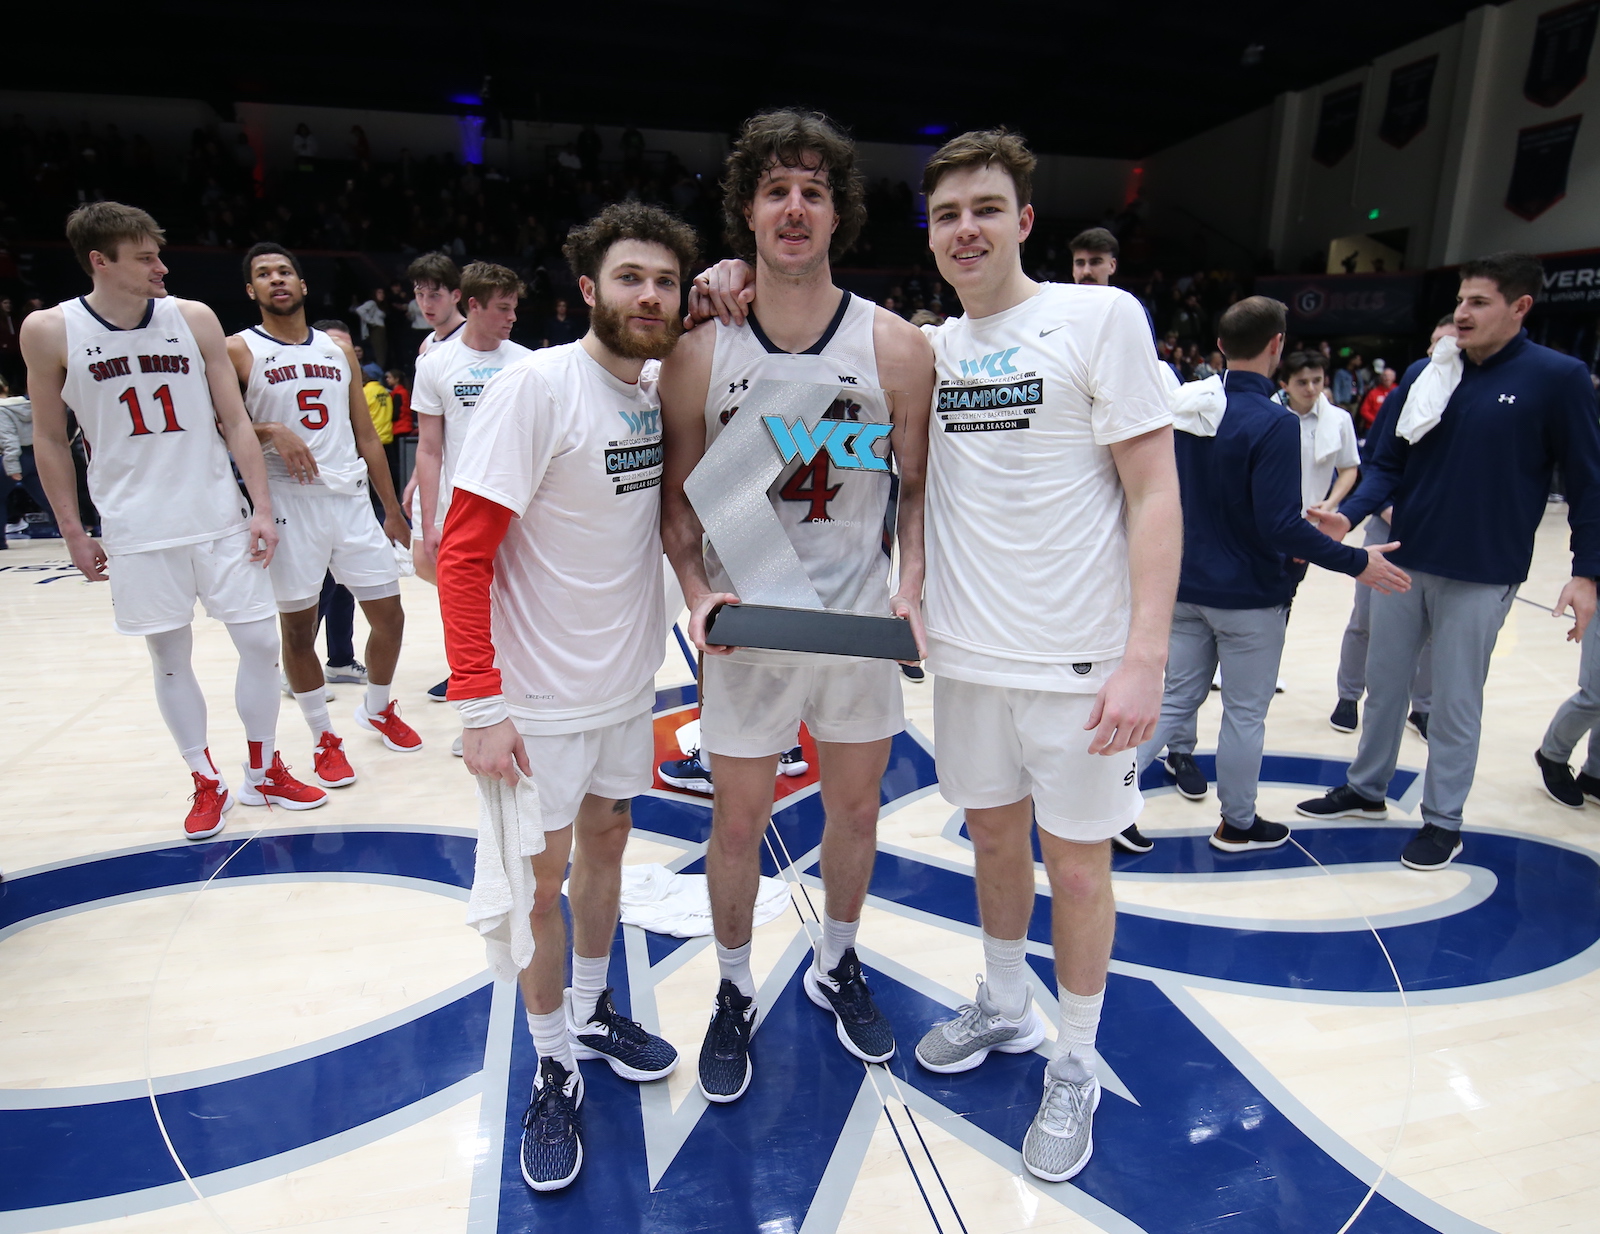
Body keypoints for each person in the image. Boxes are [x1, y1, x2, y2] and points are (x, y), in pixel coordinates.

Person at [659, 109, 934, 1103]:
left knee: (856, 808)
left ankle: (837, 959)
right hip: (751, 629)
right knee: (737, 824)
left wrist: (911, 584)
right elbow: (679, 505)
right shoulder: (700, 349)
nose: (794, 206)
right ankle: (731, 988)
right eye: (775, 188)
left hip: (855, 625)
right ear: (746, 210)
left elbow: (917, 491)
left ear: (837, 213)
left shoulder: (897, 347)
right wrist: (695, 594)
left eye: (813, 190)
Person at [438, 201, 698, 1192]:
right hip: (537, 703)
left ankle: (592, 1005)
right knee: (535, 889)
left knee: (607, 851)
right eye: (630, 277)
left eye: (665, 281)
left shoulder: (649, 393)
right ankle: (551, 1057)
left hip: (626, 687)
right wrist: (480, 706)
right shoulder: (536, 388)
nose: (650, 295)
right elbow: (461, 555)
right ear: (586, 289)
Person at [20, 202, 325, 838]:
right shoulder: (50, 330)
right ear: (100, 262)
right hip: (137, 527)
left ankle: (264, 767)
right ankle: (204, 777)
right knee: (169, 656)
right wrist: (73, 531)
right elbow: (50, 439)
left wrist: (262, 507)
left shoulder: (192, 317)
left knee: (263, 645)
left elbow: (236, 420)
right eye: (145, 257)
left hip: (218, 514)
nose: (163, 266)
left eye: (159, 253)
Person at [1298, 252, 1600, 870]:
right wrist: (1351, 515)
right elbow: (1388, 462)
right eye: (1461, 300)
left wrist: (1586, 571)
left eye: (1479, 302)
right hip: (1405, 560)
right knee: (1384, 687)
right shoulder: (1427, 372)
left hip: (1484, 570)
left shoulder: (1558, 378)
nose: (1462, 313)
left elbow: (1589, 483)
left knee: (1455, 701)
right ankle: (1366, 788)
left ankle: (1443, 820)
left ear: (1520, 308)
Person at [1136, 298, 1409, 857]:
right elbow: (1281, 526)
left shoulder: (1183, 411)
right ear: (1277, 345)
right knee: (1244, 716)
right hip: (1251, 598)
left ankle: (1104, 810)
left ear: (1220, 347)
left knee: (1169, 705)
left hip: (1184, 588)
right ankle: (1237, 823)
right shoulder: (1276, 424)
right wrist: (1359, 560)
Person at [228, 244, 419, 789]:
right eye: (263, 275)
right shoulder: (239, 349)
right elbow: (217, 424)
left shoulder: (339, 353)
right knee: (298, 629)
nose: (276, 280)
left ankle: (377, 708)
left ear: (303, 284)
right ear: (251, 291)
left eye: (284, 271)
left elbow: (367, 436)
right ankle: (321, 736)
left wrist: (393, 511)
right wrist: (269, 431)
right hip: (290, 501)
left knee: (390, 616)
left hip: (350, 499)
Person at [413, 261, 532, 729]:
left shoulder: (526, 362)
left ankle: (522, 707)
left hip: (520, 509)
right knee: (469, 610)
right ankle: (481, 714)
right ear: (473, 305)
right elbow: (428, 448)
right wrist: (429, 520)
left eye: (515, 308)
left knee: (519, 606)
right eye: (503, 308)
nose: (512, 317)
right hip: (463, 508)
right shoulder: (435, 364)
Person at [1329, 317, 1453, 736]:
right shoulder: (1407, 391)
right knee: (1365, 618)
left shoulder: (1468, 398)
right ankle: (1349, 695)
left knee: (1434, 632)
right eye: (1436, 342)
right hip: (1388, 526)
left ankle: (1424, 706)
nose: (1441, 351)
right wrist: (1381, 506)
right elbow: (1377, 462)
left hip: (1435, 533)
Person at [402, 251, 466, 592]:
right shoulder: (428, 345)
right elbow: (430, 433)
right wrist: (417, 478)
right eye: (420, 293)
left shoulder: (476, 341)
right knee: (425, 562)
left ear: (456, 295)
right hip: (438, 467)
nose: (426, 303)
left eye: (435, 294)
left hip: (466, 468)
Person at [1275, 350, 1359, 515]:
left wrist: (1330, 503)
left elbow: (1349, 467)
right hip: (1271, 517)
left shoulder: (1340, 419)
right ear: (1285, 385)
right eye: (1302, 382)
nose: (1311, 389)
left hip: (1315, 517)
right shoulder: (1268, 417)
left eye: (1317, 381)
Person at [1357, 365, 1397, 434]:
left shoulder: (1399, 391)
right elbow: (1364, 411)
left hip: (1393, 427)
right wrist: (1376, 421)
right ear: (1381, 378)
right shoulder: (1373, 393)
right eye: (1384, 376)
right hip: (1374, 427)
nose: (1387, 378)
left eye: (1389, 376)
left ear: (1394, 378)